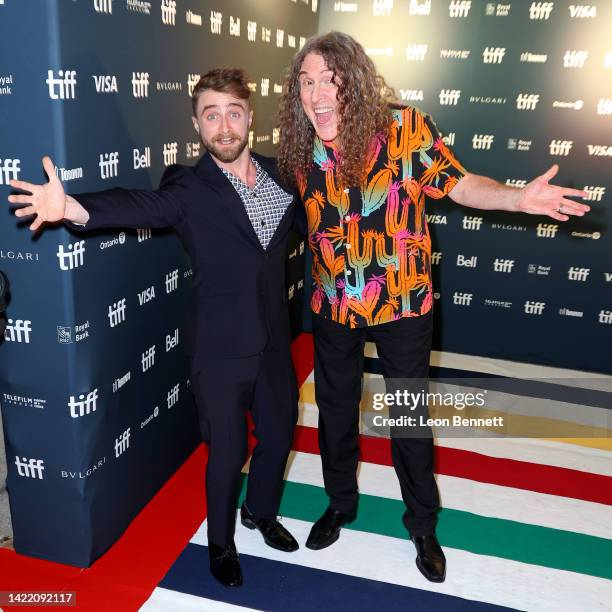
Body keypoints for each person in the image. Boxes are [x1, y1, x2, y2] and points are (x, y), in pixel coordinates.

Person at [277, 32, 589, 583]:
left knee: (409, 417)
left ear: (355, 79)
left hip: (402, 302)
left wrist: (517, 197)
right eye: (306, 81)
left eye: (330, 78)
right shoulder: (301, 145)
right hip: (332, 302)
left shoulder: (403, 128)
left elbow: (461, 185)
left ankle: (422, 523)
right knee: (336, 407)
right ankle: (341, 502)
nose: (316, 92)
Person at [8, 68, 302, 588]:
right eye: (211, 115)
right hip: (218, 349)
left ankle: (260, 512)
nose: (225, 126)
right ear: (197, 124)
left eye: (233, 112)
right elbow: (138, 203)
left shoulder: (284, 177)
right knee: (228, 453)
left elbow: (320, 227)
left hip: (276, 342)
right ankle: (221, 544)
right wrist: (73, 208)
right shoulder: (188, 187)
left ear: (250, 117)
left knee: (279, 438)